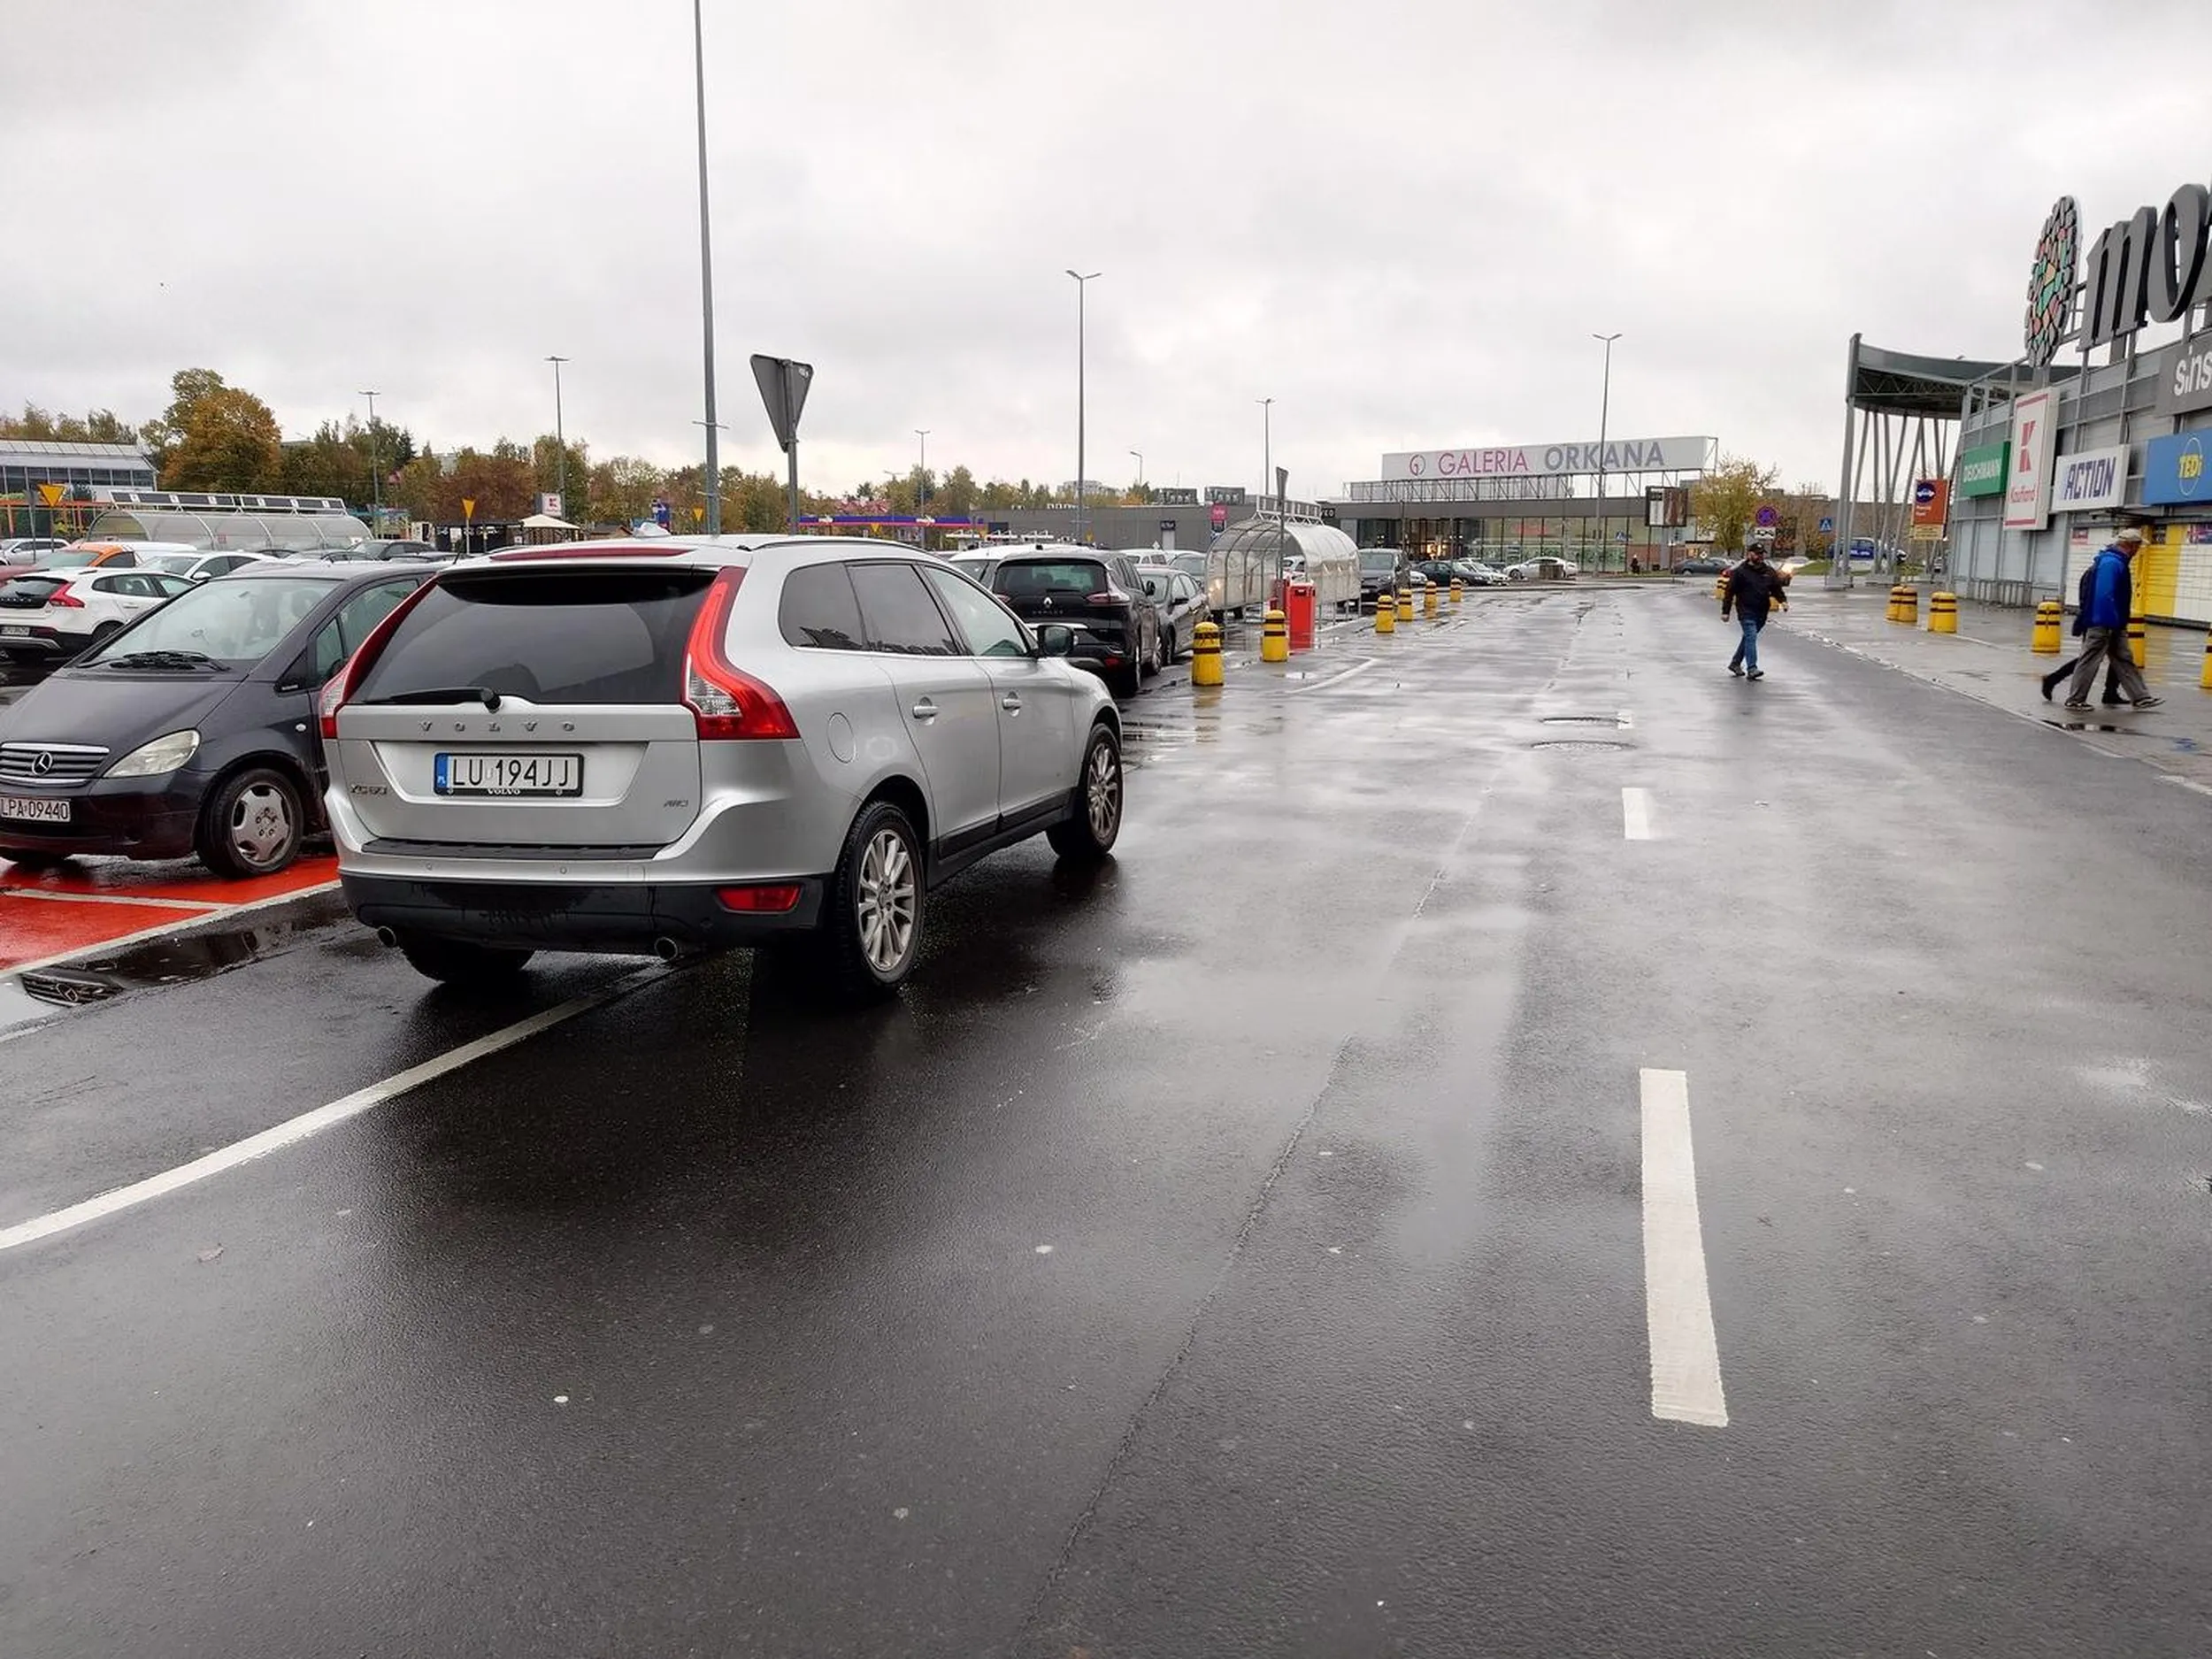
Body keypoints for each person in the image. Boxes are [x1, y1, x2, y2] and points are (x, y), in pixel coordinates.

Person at [2063, 527, 2160, 710]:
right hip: (2104, 622)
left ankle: (2141, 697)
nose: (2138, 550)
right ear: (2130, 545)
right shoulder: (2112, 563)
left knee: (2124, 658)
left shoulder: (2115, 561)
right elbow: (2104, 595)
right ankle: (2075, 700)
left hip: (2113, 623)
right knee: (2090, 659)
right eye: (2138, 546)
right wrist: (2108, 622)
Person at [2041, 551, 2126, 705]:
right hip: (2097, 621)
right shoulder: (2095, 574)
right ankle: (2053, 679)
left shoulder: (2100, 572)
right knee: (2089, 659)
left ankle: (2111, 691)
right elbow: (2089, 600)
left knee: (2118, 657)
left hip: (2110, 620)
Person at [1721, 544, 1790, 680]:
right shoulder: (1740, 572)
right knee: (1751, 636)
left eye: (1762, 554)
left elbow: (1776, 589)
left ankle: (1735, 663)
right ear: (1749, 554)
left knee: (1748, 638)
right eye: (1757, 554)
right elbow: (1729, 592)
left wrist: (1783, 601)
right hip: (1746, 610)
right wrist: (1726, 611)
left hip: (1762, 611)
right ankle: (1752, 668)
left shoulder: (1768, 571)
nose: (1760, 556)